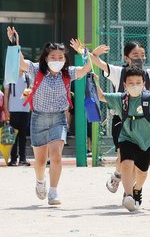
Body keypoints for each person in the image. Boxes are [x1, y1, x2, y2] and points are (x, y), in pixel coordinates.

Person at [6, 27, 92, 205]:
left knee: (56, 156)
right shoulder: (36, 70)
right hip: (38, 118)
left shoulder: (68, 73)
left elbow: (86, 69)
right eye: (53, 57)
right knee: (39, 160)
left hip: (59, 119)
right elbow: (21, 63)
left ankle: (53, 191)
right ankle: (40, 181)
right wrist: (15, 43)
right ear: (46, 58)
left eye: (61, 57)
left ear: (65, 59)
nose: (57, 60)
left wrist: (84, 52)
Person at [88, 36, 150, 193]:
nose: (139, 58)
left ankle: (129, 188)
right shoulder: (118, 72)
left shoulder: (147, 74)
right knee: (124, 153)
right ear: (126, 57)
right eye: (135, 55)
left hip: (143, 121)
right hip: (122, 119)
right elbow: (97, 63)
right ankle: (119, 177)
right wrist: (94, 54)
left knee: (136, 161)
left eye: (142, 55)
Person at [97, 66, 150, 212]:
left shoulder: (149, 98)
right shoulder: (120, 98)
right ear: (124, 85)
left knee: (142, 172)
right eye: (131, 83)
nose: (135, 85)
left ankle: (137, 189)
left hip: (147, 139)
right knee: (126, 164)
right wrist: (95, 81)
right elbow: (100, 96)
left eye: (138, 82)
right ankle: (128, 196)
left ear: (144, 83)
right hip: (127, 137)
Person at [3, 67, 32, 166]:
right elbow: (6, 95)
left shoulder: (28, 77)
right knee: (13, 136)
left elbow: (31, 90)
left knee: (23, 136)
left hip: (25, 110)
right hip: (13, 110)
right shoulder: (9, 77)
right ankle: (13, 159)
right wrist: (6, 110)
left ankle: (23, 158)